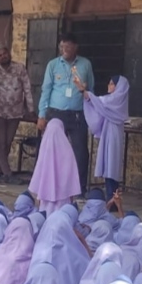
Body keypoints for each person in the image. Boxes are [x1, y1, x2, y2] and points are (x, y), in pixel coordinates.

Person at [37, 33, 94, 196]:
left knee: (80, 152)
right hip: (56, 114)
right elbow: (46, 90)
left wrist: (91, 113)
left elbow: (91, 89)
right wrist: (42, 115)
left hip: (77, 115)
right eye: (62, 46)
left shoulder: (85, 64)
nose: (64, 50)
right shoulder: (53, 65)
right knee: (52, 150)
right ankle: (51, 186)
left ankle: (79, 189)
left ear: (76, 47)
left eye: (68, 46)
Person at [0, 42, 34, 185]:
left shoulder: (20, 68)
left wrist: (31, 109)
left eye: (4, 53)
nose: (3, 56)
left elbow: (27, 89)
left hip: (16, 112)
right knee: (1, 142)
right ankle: (7, 173)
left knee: (7, 142)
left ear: (8, 53)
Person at [78, 74, 129, 200]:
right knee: (109, 164)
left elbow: (99, 102)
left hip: (113, 133)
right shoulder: (113, 100)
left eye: (112, 84)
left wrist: (84, 92)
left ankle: (112, 197)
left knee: (111, 164)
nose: (109, 86)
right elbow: (97, 103)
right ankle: (112, 197)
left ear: (118, 87)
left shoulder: (115, 100)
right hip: (110, 132)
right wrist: (84, 93)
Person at [27, 118, 81, 215]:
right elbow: (71, 178)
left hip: (45, 199)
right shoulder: (68, 151)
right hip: (63, 200)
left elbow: (39, 172)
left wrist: (40, 193)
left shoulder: (44, 148)